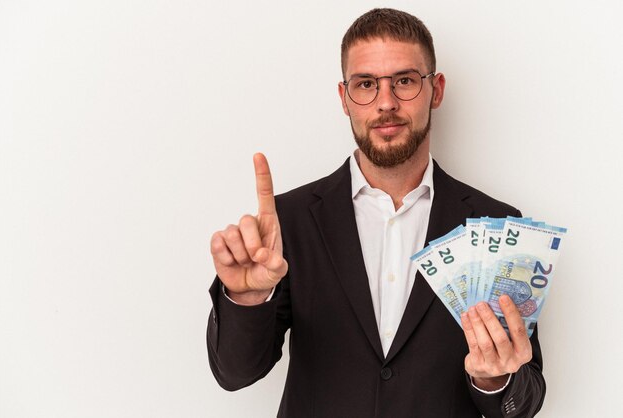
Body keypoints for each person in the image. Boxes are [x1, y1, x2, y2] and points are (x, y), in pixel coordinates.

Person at [207, 8, 545, 418]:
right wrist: (248, 297)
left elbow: (522, 403)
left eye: (404, 81)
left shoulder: (494, 225)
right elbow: (236, 373)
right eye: (366, 84)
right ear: (344, 99)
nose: (386, 103)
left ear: (436, 90)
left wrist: (495, 380)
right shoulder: (287, 221)